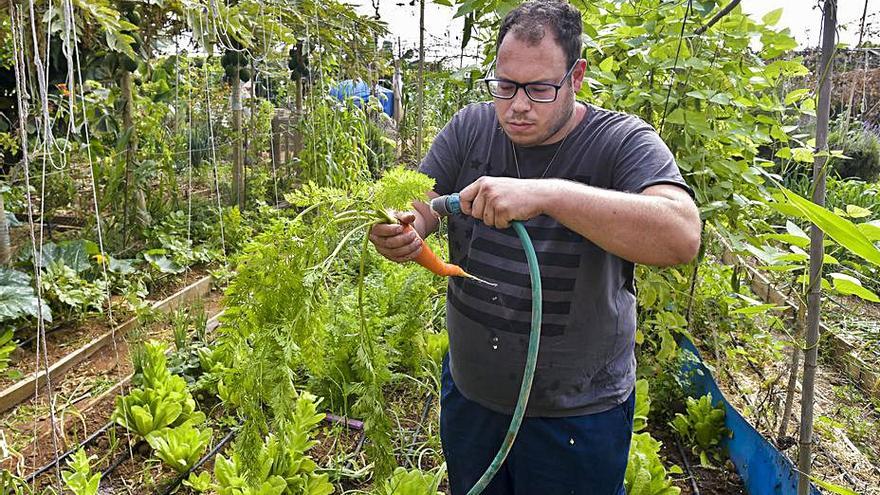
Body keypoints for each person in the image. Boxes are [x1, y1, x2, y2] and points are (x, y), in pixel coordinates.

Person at [369, 1, 701, 493]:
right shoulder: (471, 128)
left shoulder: (620, 142)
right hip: (472, 398)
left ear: (577, 76)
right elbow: (419, 206)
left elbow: (681, 235)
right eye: (505, 86)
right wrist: (401, 228)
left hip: (576, 416)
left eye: (540, 89)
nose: (518, 105)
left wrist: (549, 195)